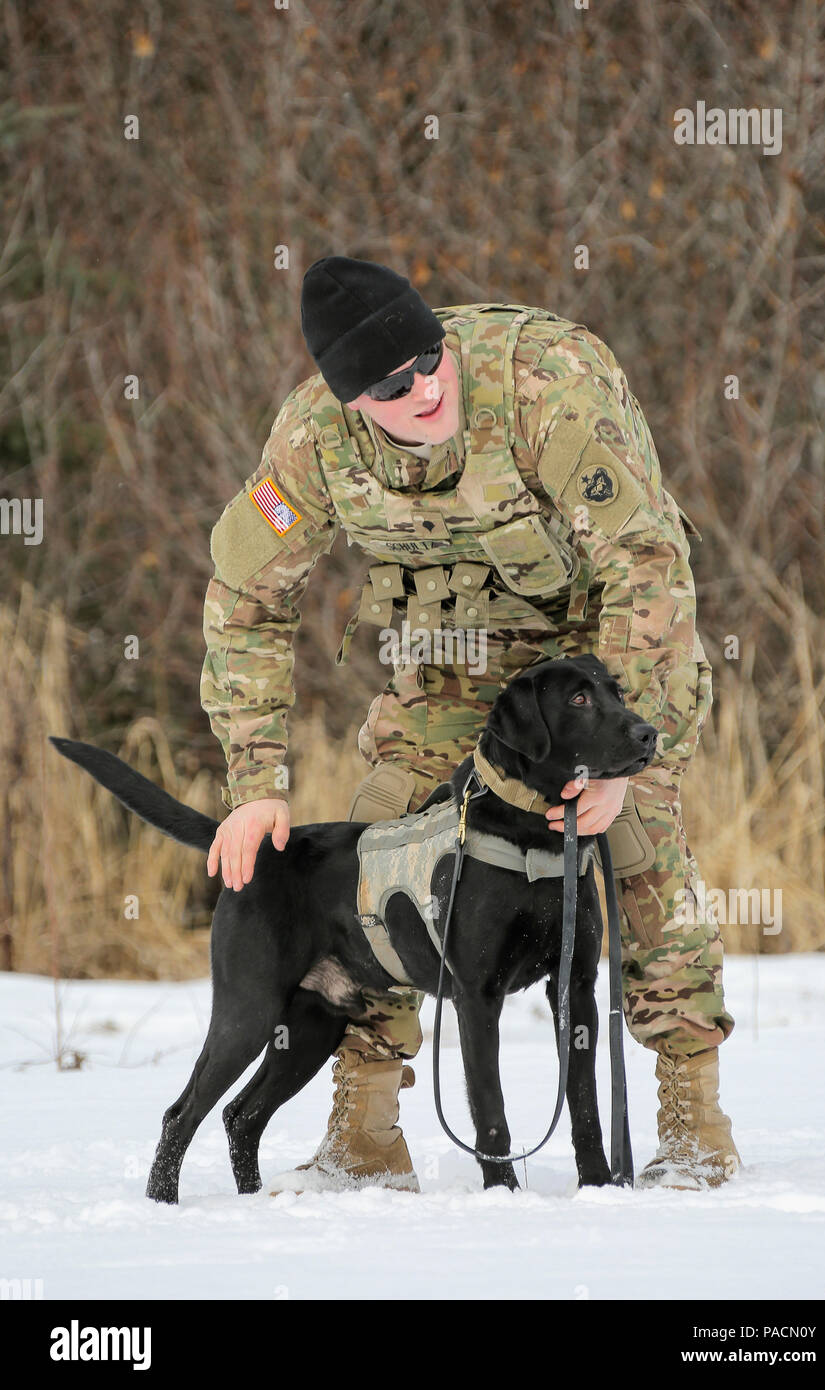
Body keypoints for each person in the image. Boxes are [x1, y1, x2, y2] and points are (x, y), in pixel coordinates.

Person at [200, 255, 740, 1194]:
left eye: (427, 363)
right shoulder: (312, 442)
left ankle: (692, 1111)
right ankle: (364, 1123)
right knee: (380, 835)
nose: (420, 391)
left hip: (598, 646)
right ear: (348, 400)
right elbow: (245, 599)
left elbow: (649, 569)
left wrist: (620, 757)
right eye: (388, 387)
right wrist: (254, 784)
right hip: (450, 656)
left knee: (640, 839)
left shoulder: (547, 383)